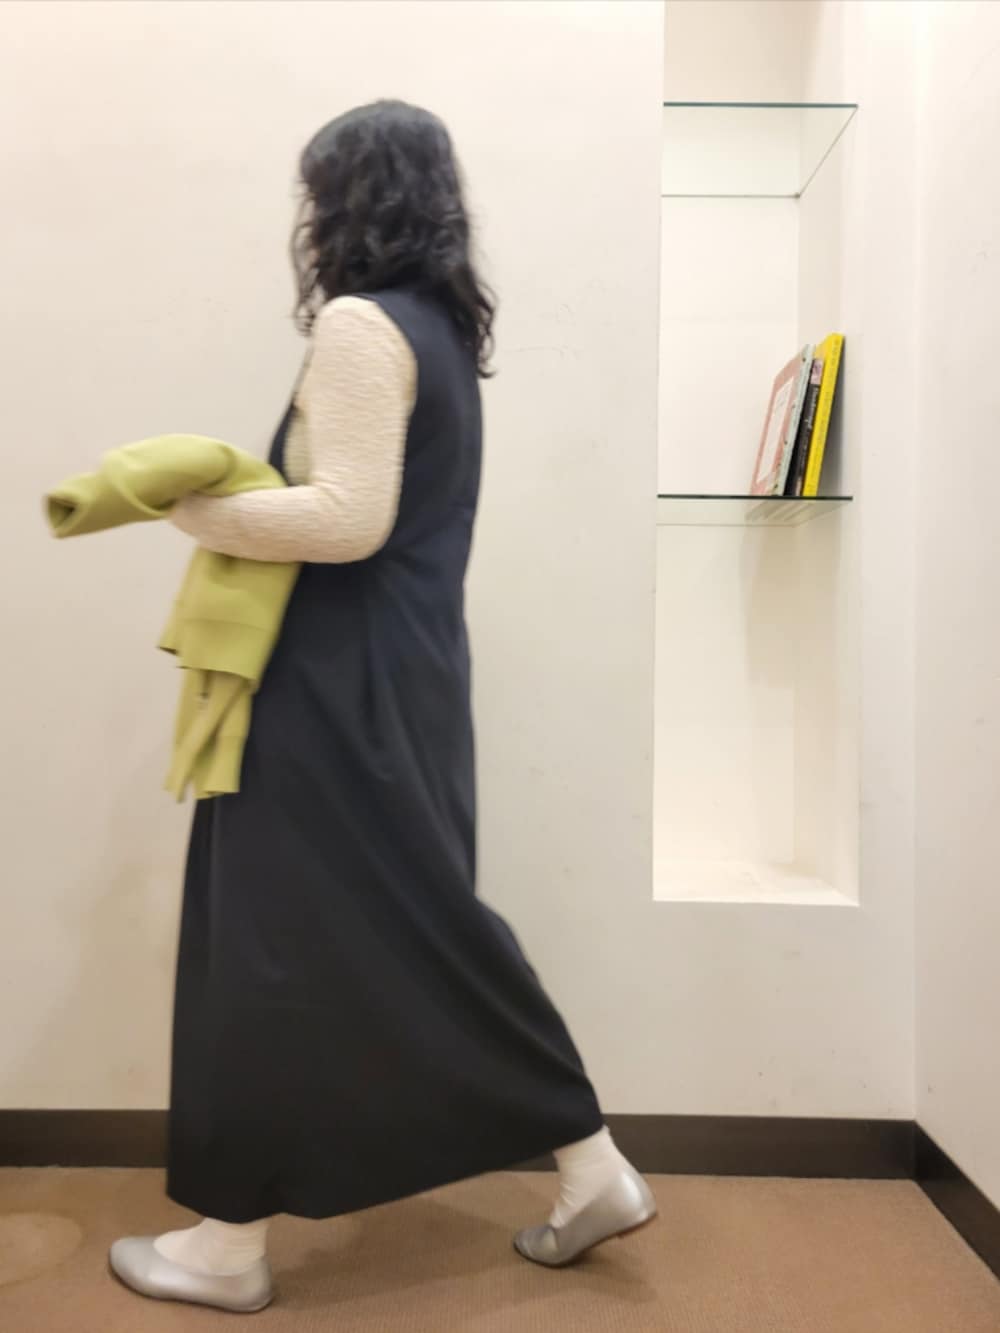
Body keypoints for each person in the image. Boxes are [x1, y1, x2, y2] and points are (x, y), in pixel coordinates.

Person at [109, 100, 656, 1314]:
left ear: (349, 199)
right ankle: (589, 1166)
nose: (308, 217)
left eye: (320, 192)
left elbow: (347, 517)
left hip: (333, 681)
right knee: (401, 920)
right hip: (401, 671)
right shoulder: (442, 334)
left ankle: (227, 1245)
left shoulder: (362, 325)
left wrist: (188, 505)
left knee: (273, 937)